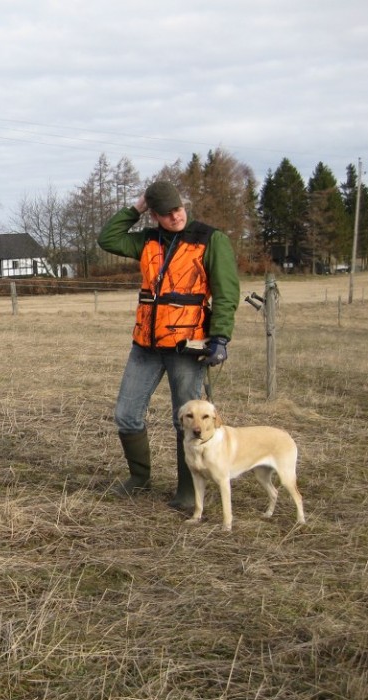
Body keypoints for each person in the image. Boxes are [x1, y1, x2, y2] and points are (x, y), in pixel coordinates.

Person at [96, 180, 240, 509]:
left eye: (177, 209)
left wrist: (219, 338)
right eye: (165, 213)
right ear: (155, 215)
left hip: (187, 347)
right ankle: (139, 478)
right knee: (126, 413)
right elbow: (108, 239)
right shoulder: (148, 241)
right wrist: (137, 206)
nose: (175, 217)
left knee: (191, 421)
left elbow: (227, 292)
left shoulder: (210, 239)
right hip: (145, 345)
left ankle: (189, 493)